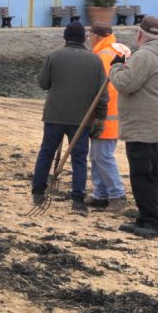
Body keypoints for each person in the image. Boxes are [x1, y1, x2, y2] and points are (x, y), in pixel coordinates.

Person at [110, 15, 158, 237]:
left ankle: (152, 223)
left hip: (142, 124)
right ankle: (146, 217)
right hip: (155, 122)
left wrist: (116, 68)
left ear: (140, 34)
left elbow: (125, 83)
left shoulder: (145, 55)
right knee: (150, 174)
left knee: (142, 176)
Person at [32, 22, 107, 211]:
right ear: (83, 38)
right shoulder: (95, 60)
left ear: (66, 37)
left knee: (46, 152)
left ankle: (38, 192)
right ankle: (78, 201)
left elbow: (43, 84)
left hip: (54, 114)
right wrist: (100, 118)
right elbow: (102, 95)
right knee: (79, 158)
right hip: (81, 119)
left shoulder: (54, 56)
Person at [84, 21, 133, 208]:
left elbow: (107, 89)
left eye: (90, 36)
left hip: (107, 115)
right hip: (114, 112)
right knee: (97, 155)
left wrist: (98, 112)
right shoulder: (116, 50)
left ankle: (117, 195)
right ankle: (101, 193)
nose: (89, 40)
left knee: (102, 155)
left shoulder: (103, 55)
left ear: (96, 37)